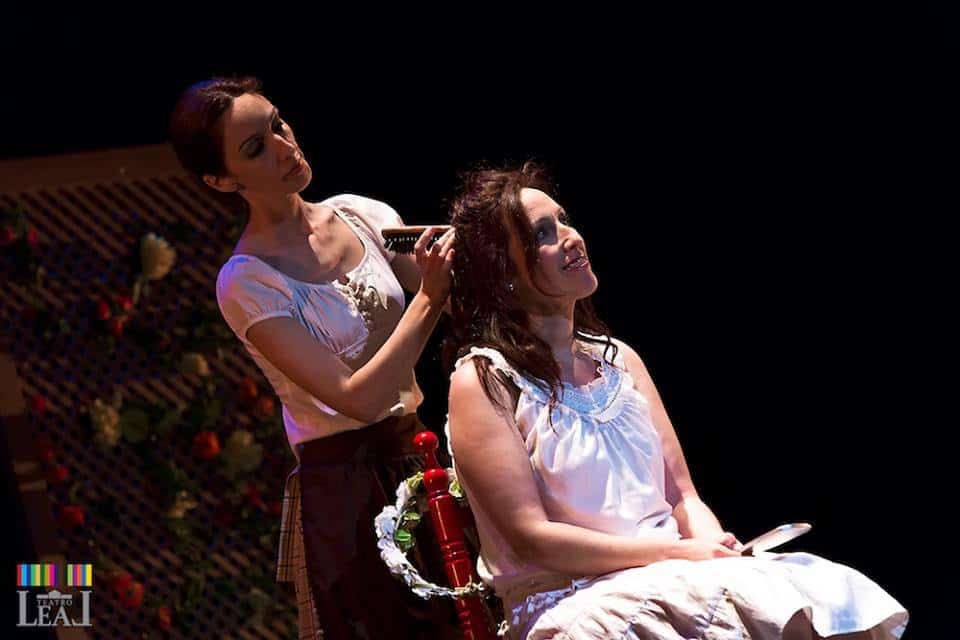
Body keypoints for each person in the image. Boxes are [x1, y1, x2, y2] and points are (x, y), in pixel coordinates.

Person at [442, 162, 908, 640]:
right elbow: (532, 538)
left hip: (672, 572)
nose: (571, 237)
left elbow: (683, 497)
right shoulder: (485, 380)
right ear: (504, 272)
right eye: (543, 233)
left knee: (817, 594)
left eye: (564, 220)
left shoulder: (619, 360)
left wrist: (714, 548)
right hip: (574, 599)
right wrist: (676, 553)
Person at [168, 76, 459, 640]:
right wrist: (430, 296)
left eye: (278, 124)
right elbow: (357, 398)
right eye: (256, 147)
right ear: (221, 180)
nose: (284, 146)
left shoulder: (360, 214)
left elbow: (453, 305)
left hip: (419, 453)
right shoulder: (245, 281)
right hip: (350, 489)